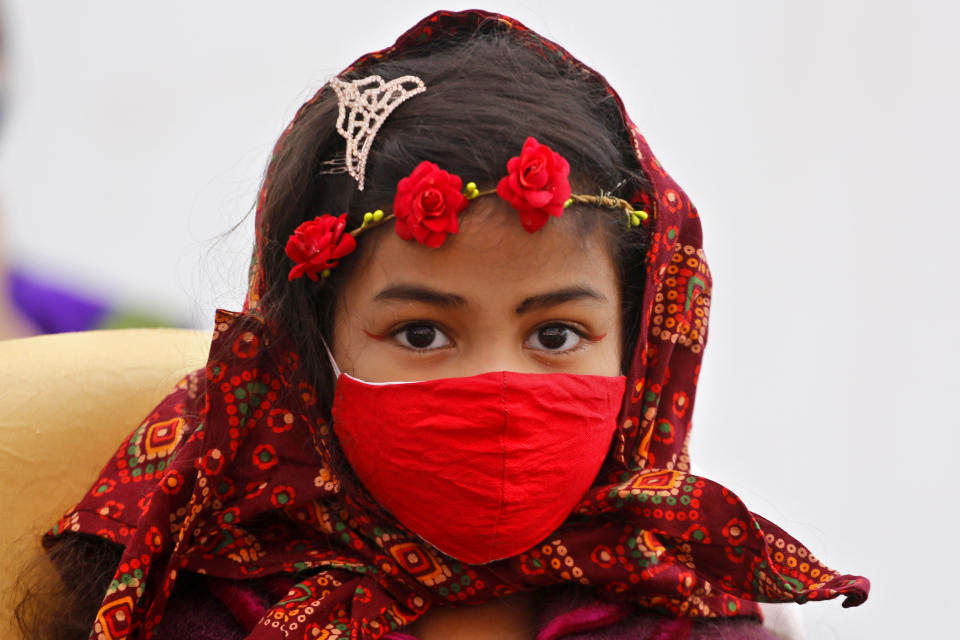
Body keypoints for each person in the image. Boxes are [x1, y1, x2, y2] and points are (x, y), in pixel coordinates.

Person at [18, 9, 868, 640]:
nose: (497, 389)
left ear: (645, 355)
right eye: (423, 333)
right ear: (309, 354)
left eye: (557, 334)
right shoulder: (199, 613)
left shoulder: (700, 614)